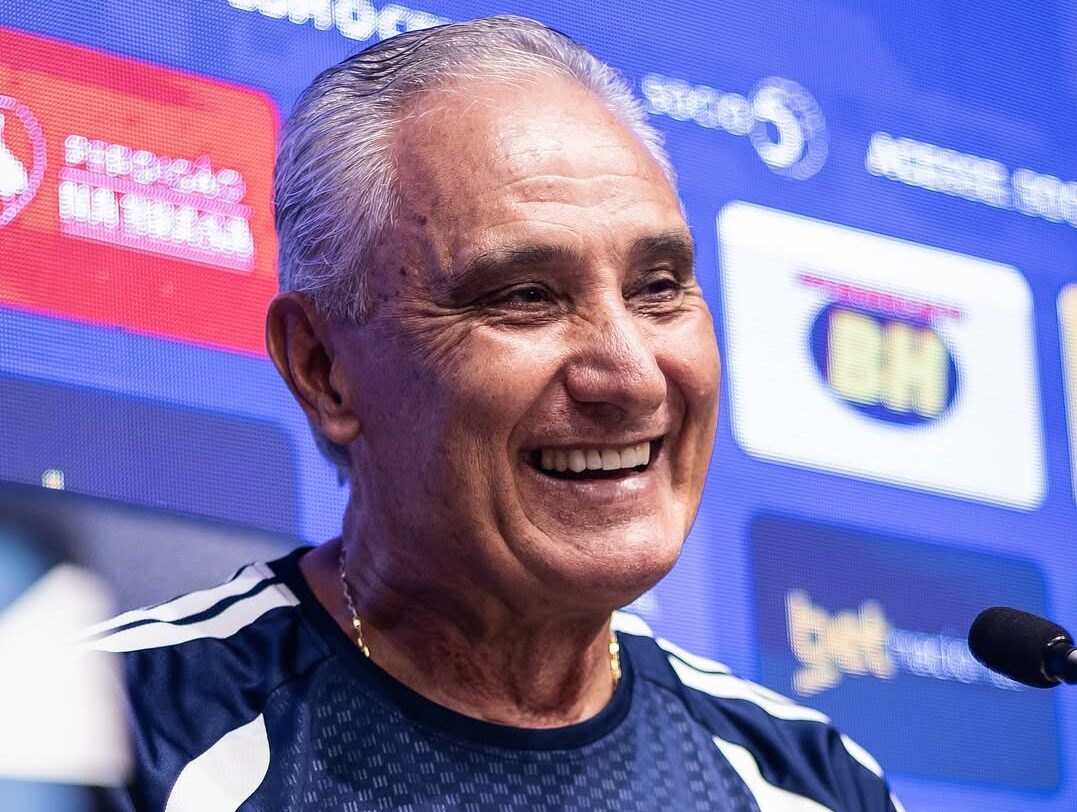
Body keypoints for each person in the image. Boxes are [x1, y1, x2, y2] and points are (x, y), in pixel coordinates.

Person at [89, 15, 903, 811]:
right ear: (323, 369)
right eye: (525, 296)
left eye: (658, 288)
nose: (631, 377)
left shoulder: (812, 783)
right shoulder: (111, 739)